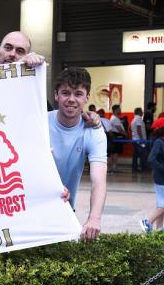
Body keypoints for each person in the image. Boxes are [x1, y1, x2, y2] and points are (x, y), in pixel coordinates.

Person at [48, 67, 107, 240]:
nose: (71, 99)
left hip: (66, 209)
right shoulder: (40, 123)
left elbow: (99, 180)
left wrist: (94, 218)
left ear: (87, 97)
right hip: (31, 208)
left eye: (78, 94)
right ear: (56, 95)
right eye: (65, 93)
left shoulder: (94, 130)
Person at [141, 117, 164, 232]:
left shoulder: (161, 141)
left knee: (161, 204)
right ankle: (147, 222)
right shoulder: (159, 142)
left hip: (161, 177)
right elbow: (151, 159)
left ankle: (159, 229)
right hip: (161, 177)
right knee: (163, 205)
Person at [109, 104, 127, 172]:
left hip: (116, 136)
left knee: (114, 152)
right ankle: (114, 167)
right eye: (119, 109)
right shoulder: (114, 119)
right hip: (116, 136)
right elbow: (119, 129)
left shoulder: (115, 118)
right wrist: (125, 134)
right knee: (115, 152)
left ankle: (113, 167)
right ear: (116, 110)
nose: (120, 110)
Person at [130, 107, 148, 173]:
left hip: (135, 140)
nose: (142, 112)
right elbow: (139, 129)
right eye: (141, 111)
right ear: (139, 112)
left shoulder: (133, 119)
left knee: (135, 155)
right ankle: (143, 168)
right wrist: (142, 139)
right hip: (139, 141)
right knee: (143, 154)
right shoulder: (138, 119)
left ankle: (134, 168)